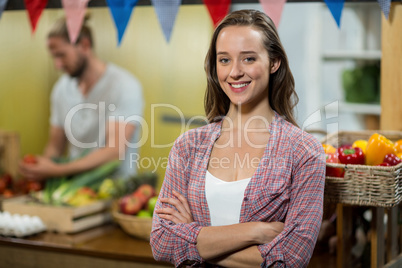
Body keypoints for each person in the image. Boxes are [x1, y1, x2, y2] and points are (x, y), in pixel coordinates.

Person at [150, 9, 325, 267]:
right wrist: (256, 232)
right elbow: (162, 241)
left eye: (248, 59)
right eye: (224, 60)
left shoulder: (304, 150)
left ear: (274, 62)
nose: (234, 72)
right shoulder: (188, 146)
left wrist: (193, 234)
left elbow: (290, 258)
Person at [19, 16, 144, 180]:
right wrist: (40, 169)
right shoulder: (61, 89)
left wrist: (57, 170)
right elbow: (55, 147)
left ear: (84, 45)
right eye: (54, 57)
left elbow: (114, 151)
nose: (58, 65)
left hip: (115, 191)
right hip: (72, 190)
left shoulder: (124, 85)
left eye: (62, 55)